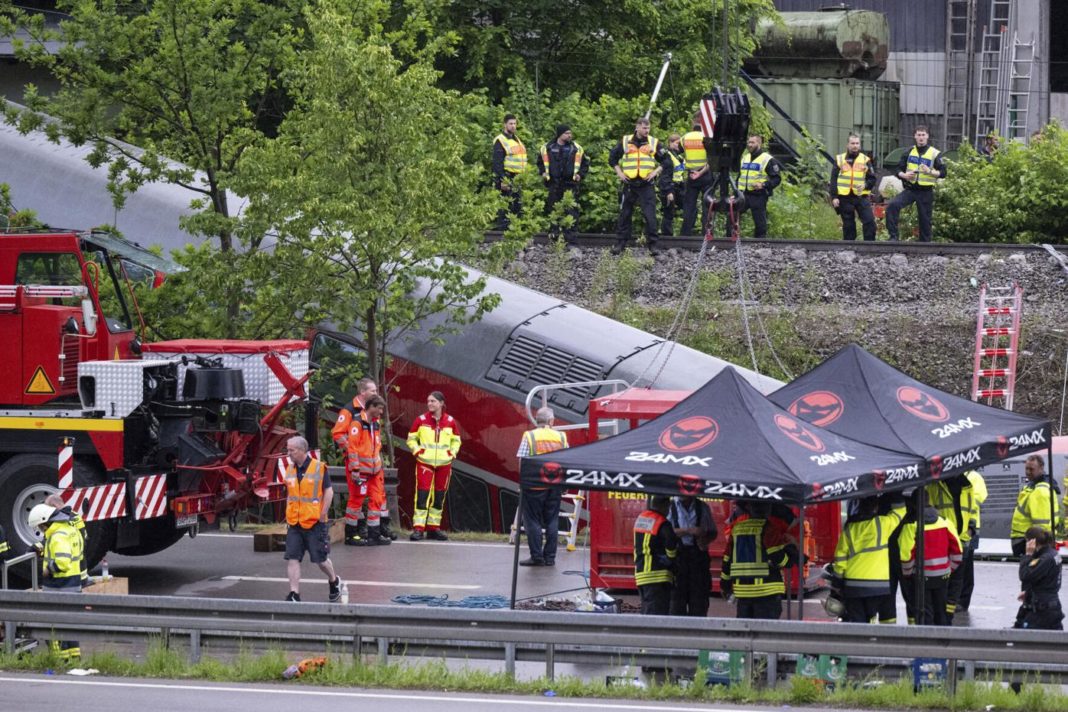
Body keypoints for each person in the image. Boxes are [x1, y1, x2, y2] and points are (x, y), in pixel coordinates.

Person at [282, 436, 343, 603]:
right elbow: (291, 494)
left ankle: (334, 580)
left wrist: (323, 514)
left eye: (291, 450)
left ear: (302, 450)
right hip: (295, 523)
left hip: (315, 522)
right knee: (292, 558)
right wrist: (288, 514)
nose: (289, 454)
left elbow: (328, 492)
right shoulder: (289, 469)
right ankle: (294, 593)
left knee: (321, 560)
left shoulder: (319, 468)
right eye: (288, 450)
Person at [831, 495, 906, 623]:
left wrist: (837, 582)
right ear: (876, 508)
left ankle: (858, 642)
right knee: (871, 620)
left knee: (857, 622)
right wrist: (895, 491)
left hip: (853, 585)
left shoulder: (850, 528)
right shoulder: (882, 523)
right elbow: (900, 512)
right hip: (877, 585)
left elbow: (840, 558)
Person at [721, 501, 795, 620]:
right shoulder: (769, 527)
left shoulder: (736, 529)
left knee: (746, 633)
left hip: (743, 593)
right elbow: (778, 558)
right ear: (769, 508)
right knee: (766, 634)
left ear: (749, 507)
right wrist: (791, 557)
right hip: (768, 592)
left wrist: (725, 585)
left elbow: (727, 560)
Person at [28, 503, 83, 661]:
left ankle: (60, 659)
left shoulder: (57, 535)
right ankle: (74, 657)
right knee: (69, 625)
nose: (41, 530)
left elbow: (62, 562)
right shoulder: (70, 529)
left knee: (54, 625)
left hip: (59, 586)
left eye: (41, 526)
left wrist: (48, 570)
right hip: (73, 583)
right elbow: (76, 553)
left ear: (46, 522)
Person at [516, 406, 569, 566]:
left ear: (537, 420)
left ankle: (537, 557)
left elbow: (522, 461)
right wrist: (564, 483)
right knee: (552, 520)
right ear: (551, 421)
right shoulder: (561, 436)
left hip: (534, 486)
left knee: (532, 520)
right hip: (554, 485)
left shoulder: (529, 436)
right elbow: (566, 460)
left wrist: (523, 482)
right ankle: (550, 557)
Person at [608, 117, 668, 256]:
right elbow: (612, 158)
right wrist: (619, 173)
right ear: (637, 128)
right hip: (629, 183)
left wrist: (655, 172)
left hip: (646, 184)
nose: (647, 131)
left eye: (648, 128)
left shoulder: (654, 142)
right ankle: (620, 244)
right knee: (625, 214)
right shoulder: (625, 141)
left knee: (650, 215)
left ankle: (653, 245)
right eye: (644, 128)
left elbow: (667, 161)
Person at [406, 391, 461, 541]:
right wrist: (418, 452)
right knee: (422, 495)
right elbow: (411, 439)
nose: (429, 403)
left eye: (433, 401)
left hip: (444, 464)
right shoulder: (421, 420)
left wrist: (452, 453)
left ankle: (433, 528)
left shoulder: (450, 421)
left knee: (439, 496)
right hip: (425, 463)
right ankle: (418, 528)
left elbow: (456, 440)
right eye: (428, 401)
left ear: (441, 403)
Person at [331, 377, 379, 545]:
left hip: (369, 465)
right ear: (362, 392)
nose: (375, 393)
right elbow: (338, 434)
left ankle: (361, 529)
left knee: (365, 496)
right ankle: (355, 531)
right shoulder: (350, 410)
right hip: (355, 463)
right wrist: (354, 451)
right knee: (356, 496)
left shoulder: (371, 410)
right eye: (373, 391)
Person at [925, 474, 977, 621]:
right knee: (945, 579)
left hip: (962, 538)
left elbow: (972, 508)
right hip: (945, 538)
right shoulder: (935, 486)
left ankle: (948, 611)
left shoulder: (968, 486)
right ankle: (943, 612)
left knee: (957, 580)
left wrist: (971, 528)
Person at [900, 505, 961, 626]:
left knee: (925, 612)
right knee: (941, 611)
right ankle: (943, 639)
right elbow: (957, 551)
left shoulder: (911, 525)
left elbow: (906, 554)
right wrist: (950, 568)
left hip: (922, 577)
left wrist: (908, 574)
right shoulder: (945, 522)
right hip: (942, 575)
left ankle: (927, 641)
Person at [886, 126, 946, 242]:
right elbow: (897, 168)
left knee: (925, 220)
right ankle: (893, 238)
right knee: (892, 206)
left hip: (926, 191)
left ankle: (925, 245)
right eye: (919, 135)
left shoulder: (934, 153)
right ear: (915, 136)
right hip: (910, 189)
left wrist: (930, 171)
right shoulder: (908, 152)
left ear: (927, 136)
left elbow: (943, 173)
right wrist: (904, 175)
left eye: (923, 135)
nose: (921, 138)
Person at [347, 395, 391, 546]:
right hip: (362, 471)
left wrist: (378, 465)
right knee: (356, 502)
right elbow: (352, 448)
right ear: (371, 406)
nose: (381, 411)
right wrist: (355, 469)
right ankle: (351, 535)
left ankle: (374, 535)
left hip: (374, 471)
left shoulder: (375, 423)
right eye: (379, 408)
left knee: (376, 502)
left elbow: (376, 446)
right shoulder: (358, 422)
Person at [538, 124, 589, 245]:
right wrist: (543, 173)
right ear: (560, 134)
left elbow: (585, 163)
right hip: (554, 184)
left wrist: (580, 175)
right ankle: (554, 240)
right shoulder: (548, 148)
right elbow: (540, 162)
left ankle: (571, 241)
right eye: (567, 133)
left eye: (570, 133)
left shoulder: (576, 148)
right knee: (554, 212)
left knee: (571, 213)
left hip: (570, 184)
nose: (569, 135)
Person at [667, 495, 716, 617]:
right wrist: (688, 531)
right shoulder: (670, 506)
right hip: (678, 562)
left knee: (699, 605)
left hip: (698, 562)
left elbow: (713, 532)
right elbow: (666, 531)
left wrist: (705, 540)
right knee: (676, 606)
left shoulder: (703, 507)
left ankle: (698, 634)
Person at [633, 495, 678, 615]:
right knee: (657, 613)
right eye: (668, 507)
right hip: (657, 575)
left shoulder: (641, 518)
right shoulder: (662, 522)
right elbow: (671, 544)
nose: (668, 511)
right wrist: (671, 560)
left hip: (641, 574)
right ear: (664, 506)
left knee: (647, 610)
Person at [1013, 527, 1063, 630]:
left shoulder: (1044, 559)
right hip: (1050, 605)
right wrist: (1029, 592)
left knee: (1025, 638)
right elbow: (1044, 579)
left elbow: (1025, 575)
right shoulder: (1052, 554)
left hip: (1042, 609)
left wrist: (1028, 555)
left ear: (1032, 542)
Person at [1010, 454, 1061, 555]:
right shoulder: (1036, 486)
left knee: (1031, 570)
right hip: (1030, 541)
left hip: (1031, 542)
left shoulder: (1040, 491)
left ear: (1041, 468)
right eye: (1026, 468)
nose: (1028, 472)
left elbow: (1041, 526)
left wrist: (1038, 547)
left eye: (1031, 469)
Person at [830, 133, 877, 242]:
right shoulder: (839, 159)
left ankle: (870, 247)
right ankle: (849, 248)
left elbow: (872, 178)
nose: (855, 146)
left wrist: (865, 185)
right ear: (848, 145)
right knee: (848, 225)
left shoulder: (865, 160)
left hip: (861, 196)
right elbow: (833, 180)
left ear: (860, 145)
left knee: (869, 222)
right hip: (844, 197)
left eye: (857, 143)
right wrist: (834, 197)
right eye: (852, 143)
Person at [737, 134, 781, 239]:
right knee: (733, 215)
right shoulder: (745, 158)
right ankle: (730, 241)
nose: (749, 145)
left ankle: (759, 244)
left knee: (760, 222)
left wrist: (763, 185)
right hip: (744, 194)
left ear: (759, 144)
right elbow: (740, 176)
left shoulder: (767, 159)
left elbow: (776, 179)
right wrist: (735, 192)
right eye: (749, 142)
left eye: (752, 142)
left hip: (758, 195)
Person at [958, 469, 988, 612]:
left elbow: (977, 500)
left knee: (967, 566)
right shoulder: (959, 476)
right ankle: (956, 598)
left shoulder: (974, 477)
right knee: (958, 565)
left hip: (971, 528)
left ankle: (963, 601)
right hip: (960, 527)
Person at [492, 114, 527, 230]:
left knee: (516, 204)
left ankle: (514, 228)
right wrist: (502, 179)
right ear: (505, 124)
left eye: (514, 123)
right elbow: (497, 163)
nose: (513, 126)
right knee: (505, 204)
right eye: (510, 123)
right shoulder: (500, 140)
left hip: (518, 176)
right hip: (507, 176)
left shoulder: (516, 139)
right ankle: (503, 230)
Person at [45, 493, 87, 586]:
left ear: (54, 506)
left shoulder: (59, 519)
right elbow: (82, 539)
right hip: (81, 570)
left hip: (68, 576)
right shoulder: (76, 515)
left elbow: (53, 540)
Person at [679, 122, 711, 236]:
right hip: (706, 174)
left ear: (693, 124)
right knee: (707, 205)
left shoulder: (685, 138)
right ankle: (706, 233)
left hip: (691, 174)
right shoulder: (707, 137)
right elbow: (712, 160)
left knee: (689, 205)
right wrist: (700, 172)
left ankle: (685, 234)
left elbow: (677, 151)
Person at [658, 133, 686, 237]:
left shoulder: (678, 156)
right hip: (669, 187)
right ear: (670, 143)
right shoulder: (667, 156)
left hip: (679, 187)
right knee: (668, 211)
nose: (678, 145)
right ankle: (667, 236)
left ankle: (685, 233)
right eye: (677, 143)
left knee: (688, 208)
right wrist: (669, 191)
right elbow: (665, 176)